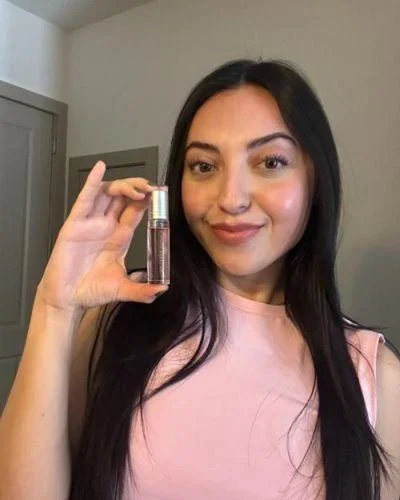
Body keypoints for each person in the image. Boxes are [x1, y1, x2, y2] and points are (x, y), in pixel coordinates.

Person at [0, 58, 399, 500]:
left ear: (315, 180)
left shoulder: (374, 376)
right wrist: (55, 307)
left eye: (270, 161)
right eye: (204, 166)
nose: (230, 199)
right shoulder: (123, 320)